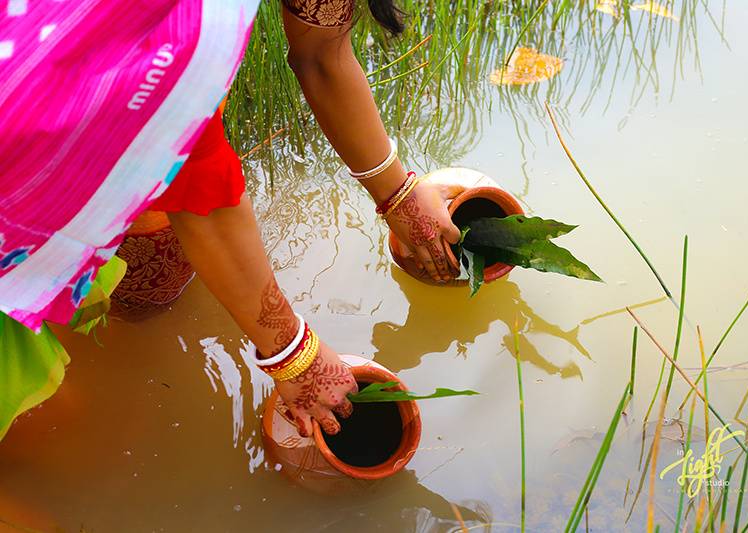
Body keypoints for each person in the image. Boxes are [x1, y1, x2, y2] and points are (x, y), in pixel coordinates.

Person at [0, 0, 462, 439]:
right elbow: (203, 198)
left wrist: (398, 194)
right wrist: (293, 355)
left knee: (146, 296)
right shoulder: (183, 35)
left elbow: (323, 54)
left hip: (92, 114)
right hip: (25, 126)